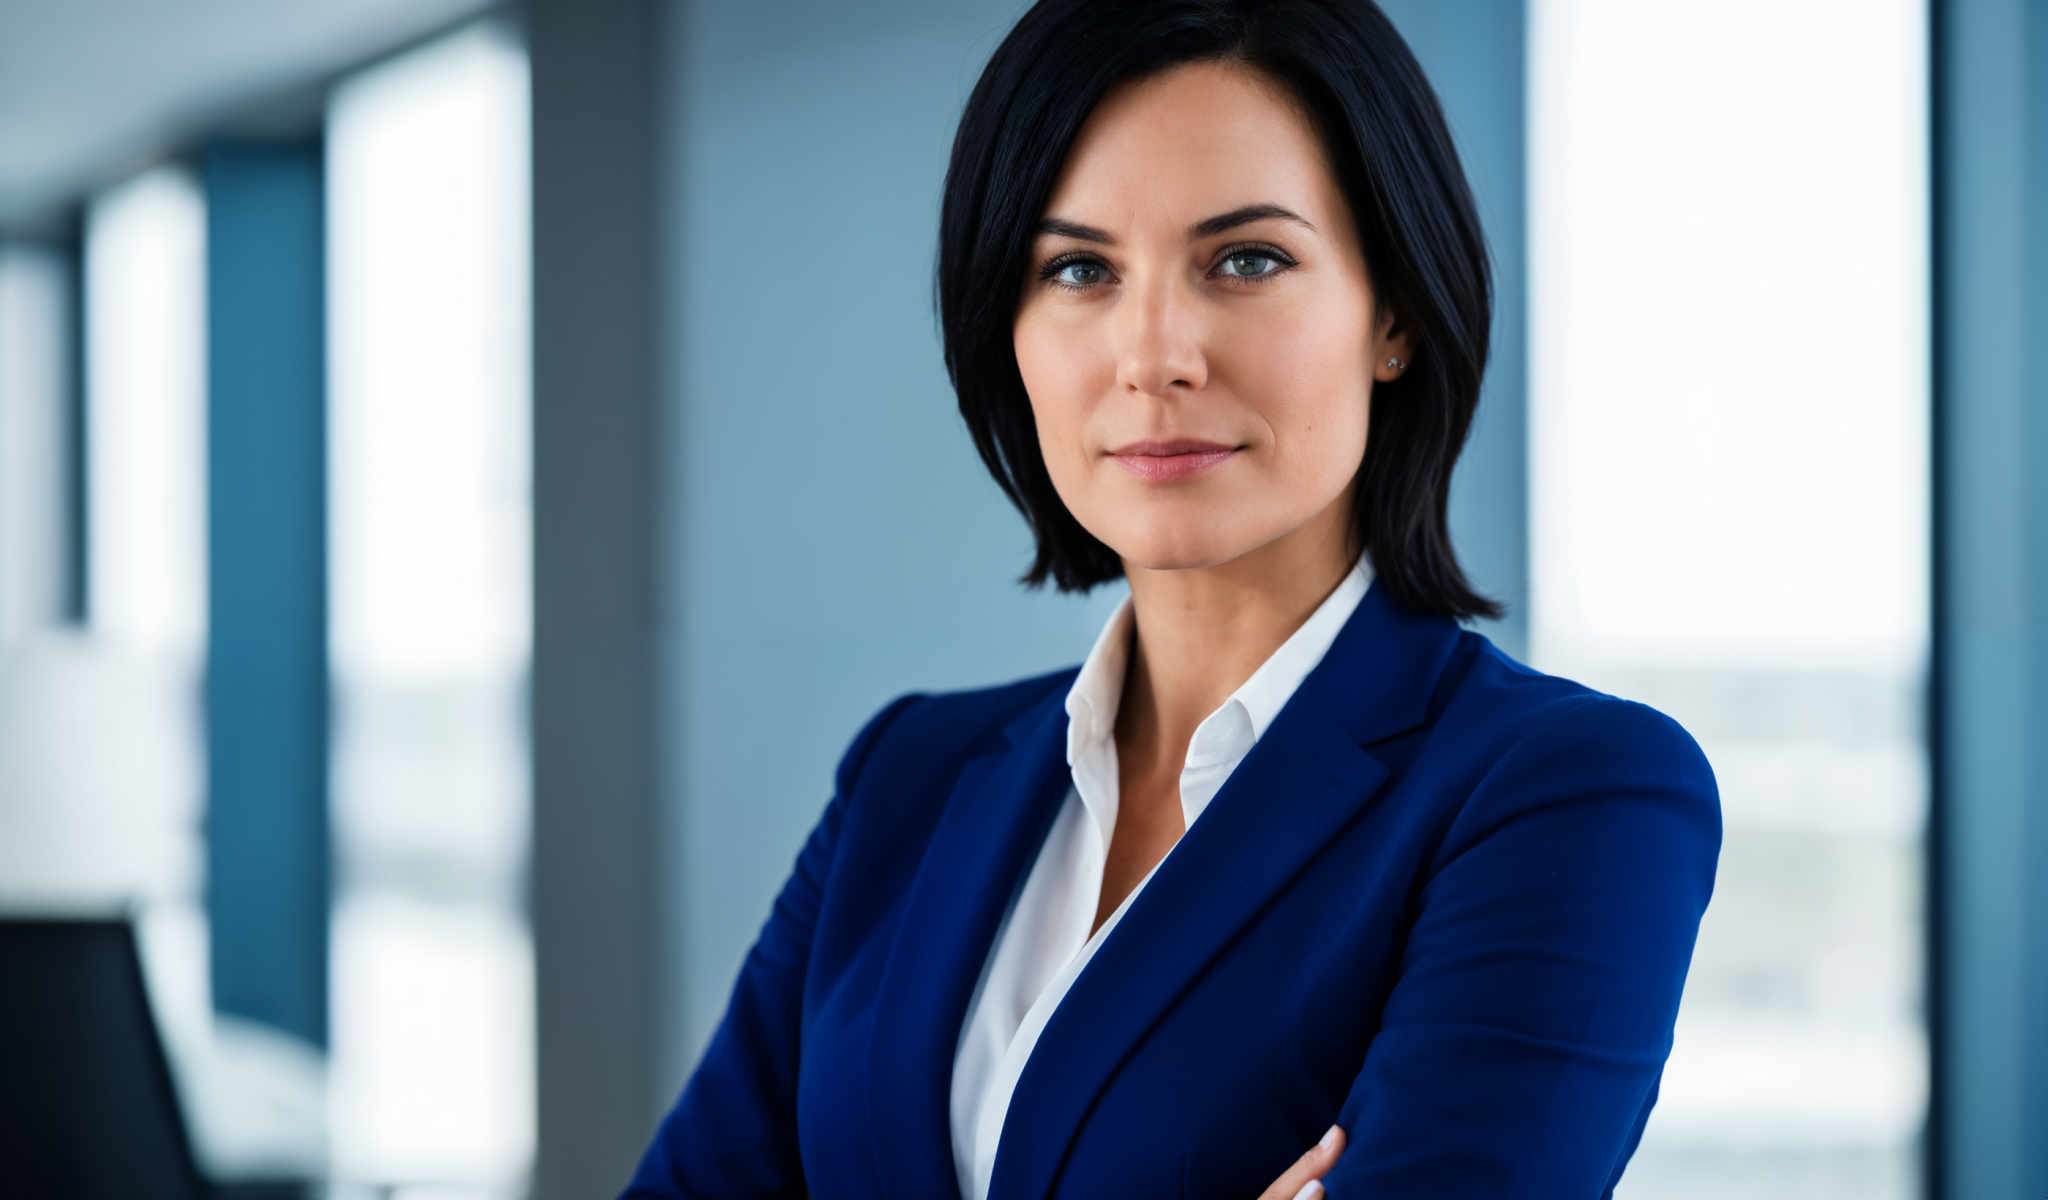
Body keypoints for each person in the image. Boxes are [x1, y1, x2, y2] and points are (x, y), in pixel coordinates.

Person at [622, 1, 1721, 1196]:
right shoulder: (907, 779)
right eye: (1078, 269)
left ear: (1392, 313)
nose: (1154, 356)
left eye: (1244, 260)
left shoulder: (1568, 797)